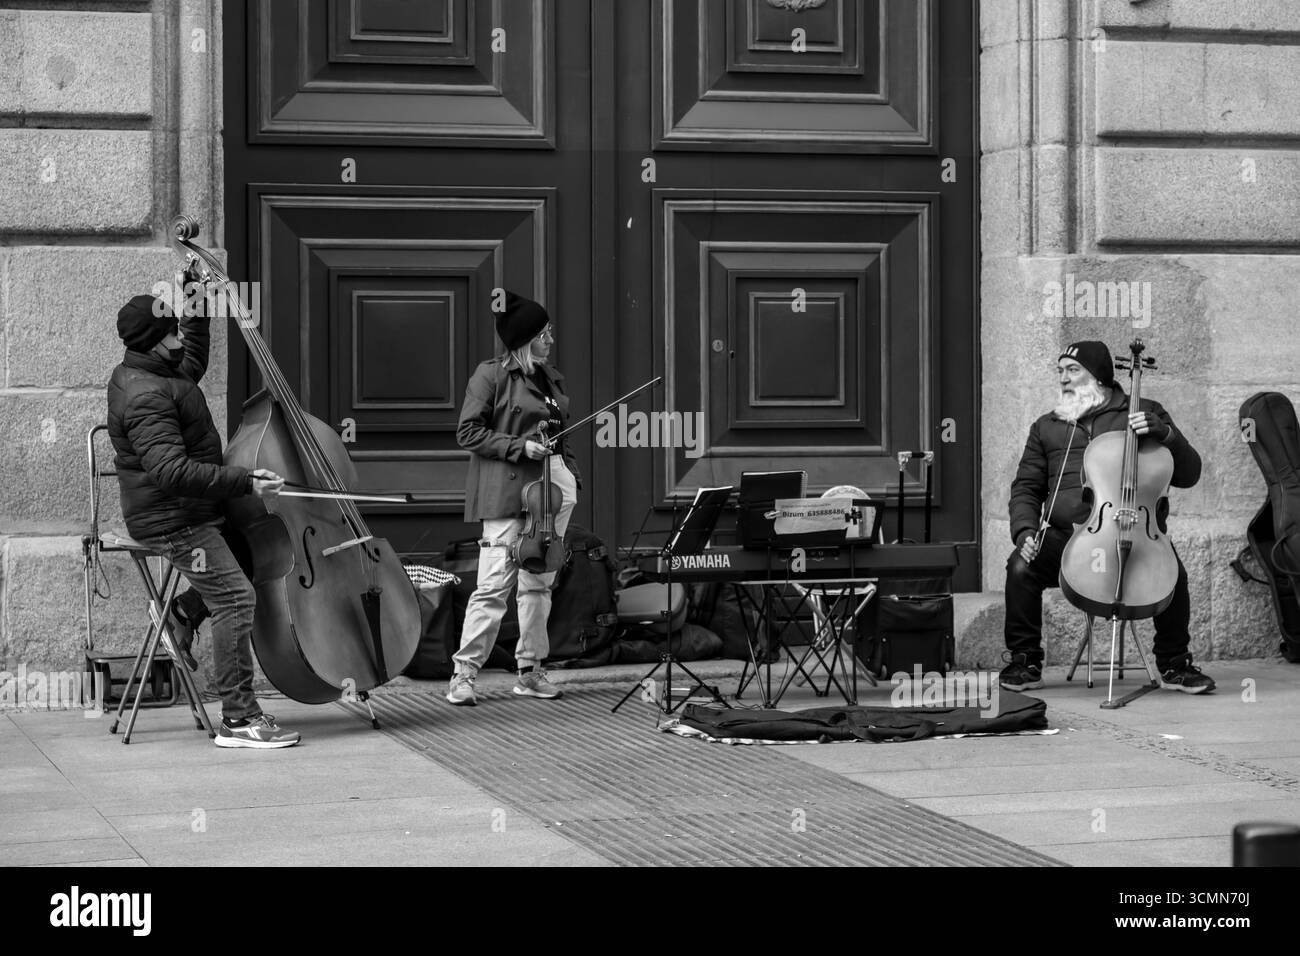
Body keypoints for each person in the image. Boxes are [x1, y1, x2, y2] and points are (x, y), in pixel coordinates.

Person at [106, 290, 302, 747]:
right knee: (235, 599)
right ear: (154, 343)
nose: (179, 336)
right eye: (172, 330)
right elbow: (171, 472)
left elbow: (191, 356)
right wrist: (245, 481)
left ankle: (180, 612)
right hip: (173, 521)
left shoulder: (159, 369)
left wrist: (195, 300)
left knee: (254, 553)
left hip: (191, 511)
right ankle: (238, 719)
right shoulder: (144, 397)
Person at [1000, 340, 1215, 695]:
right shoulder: (1048, 426)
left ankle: (1175, 664)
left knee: (1173, 572)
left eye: (1073, 371)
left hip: (1132, 529)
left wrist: (1167, 435)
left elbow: (1189, 474)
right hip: (1066, 540)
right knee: (1021, 566)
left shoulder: (1144, 413)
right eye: (1061, 372)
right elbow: (1025, 488)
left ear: (1098, 377)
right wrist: (1024, 532)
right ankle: (1025, 661)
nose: (1064, 379)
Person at [447, 292, 581, 706]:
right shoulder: (490, 376)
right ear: (525, 340)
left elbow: (560, 433)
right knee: (492, 587)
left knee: (539, 583)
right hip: (509, 489)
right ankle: (464, 674)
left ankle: (531, 670)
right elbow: (467, 432)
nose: (551, 340)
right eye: (544, 334)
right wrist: (519, 447)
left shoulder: (550, 377)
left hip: (552, 490)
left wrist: (569, 471)